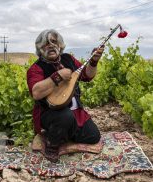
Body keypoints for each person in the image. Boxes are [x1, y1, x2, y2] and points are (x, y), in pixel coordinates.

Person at [26, 29, 104, 162]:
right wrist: (57, 77)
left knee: (93, 136)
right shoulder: (36, 68)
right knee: (64, 115)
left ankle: (62, 134)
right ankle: (52, 144)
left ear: (60, 45)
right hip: (51, 114)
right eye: (46, 43)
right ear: (40, 47)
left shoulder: (68, 59)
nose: (51, 45)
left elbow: (87, 75)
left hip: (75, 112)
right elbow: (36, 92)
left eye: (54, 42)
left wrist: (93, 62)